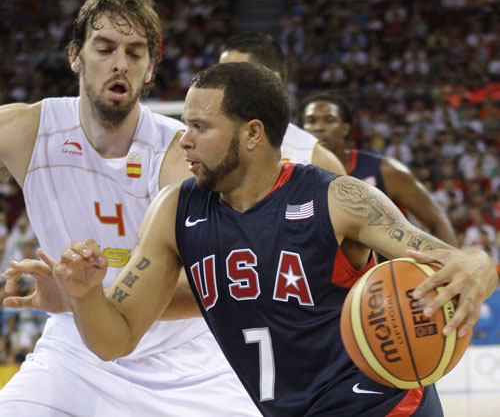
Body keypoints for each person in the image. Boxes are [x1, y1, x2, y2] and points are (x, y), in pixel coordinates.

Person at [50, 63, 497, 417]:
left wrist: (478, 262)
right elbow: (116, 339)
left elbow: (451, 261)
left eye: (201, 127)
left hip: (383, 407)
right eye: (185, 125)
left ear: (252, 133)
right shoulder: (174, 211)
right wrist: (85, 295)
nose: (184, 141)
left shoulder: (337, 198)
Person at [0, 0, 259, 416]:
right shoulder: (25, 131)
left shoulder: (181, 156)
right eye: (104, 49)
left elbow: (218, 284)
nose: (120, 63)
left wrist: (85, 299)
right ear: (75, 56)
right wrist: (81, 305)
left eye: (135, 53)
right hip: (75, 355)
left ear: (151, 68)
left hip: (187, 367)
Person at [300, 91, 458, 249]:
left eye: (329, 120)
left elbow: (437, 221)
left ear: (346, 128)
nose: (319, 128)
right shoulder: (295, 175)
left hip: (387, 264)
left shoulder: (385, 170)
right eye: (311, 121)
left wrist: (452, 262)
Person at [218, 31, 346, 174]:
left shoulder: (315, 160)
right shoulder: (206, 146)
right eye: (221, 76)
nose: (224, 86)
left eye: (235, 76)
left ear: (270, 80)